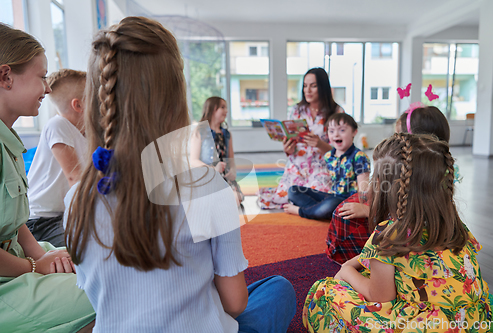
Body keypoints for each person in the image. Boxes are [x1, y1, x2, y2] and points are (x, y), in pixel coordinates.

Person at [64, 17, 295, 333]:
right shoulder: (207, 188)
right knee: (277, 288)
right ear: (174, 96)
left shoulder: (76, 200)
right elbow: (235, 303)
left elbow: (101, 297)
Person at [303, 133, 492, 332]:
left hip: (423, 327)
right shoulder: (455, 225)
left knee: (323, 292)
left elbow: (380, 297)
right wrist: (363, 258)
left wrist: (347, 269)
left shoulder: (387, 235)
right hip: (472, 323)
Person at [0, 23, 94, 332]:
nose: (48, 88)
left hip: (18, 259)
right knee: (111, 288)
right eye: (42, 77)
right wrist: (34, 266)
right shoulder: (55, 127)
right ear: (5, 76)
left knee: (99, 266)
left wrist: (45, 257)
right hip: (8, 282)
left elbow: (14, 224)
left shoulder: (8, 140)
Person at [326, 104, 453, 264]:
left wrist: (368, 210)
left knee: (343, 216)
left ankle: (345, 256)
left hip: (400, 245)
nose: (395, 139)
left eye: (398, 134)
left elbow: (406, 217)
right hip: (392, 229)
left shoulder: (412, 177)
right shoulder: (431, 169)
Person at [258, 67, 342, 209]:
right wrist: (287, 149)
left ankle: (301, 207)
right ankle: (302, 206)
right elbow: (292, 146)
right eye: (305, 86)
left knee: (320, 197)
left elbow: (341, 151)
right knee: (278, 199)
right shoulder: (296, 111)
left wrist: (320, 144)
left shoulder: (337, 112)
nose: (307, 90)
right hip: (297, 165)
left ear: (323, 87)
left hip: (321, 167)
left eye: (313, 86)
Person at [26, 69, 87, 247]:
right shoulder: (57, 124)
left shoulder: (87, 132)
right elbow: (75, 178)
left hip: (63, 215)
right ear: (78, 105)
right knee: (83, 248)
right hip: (40, 221)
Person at [284, 113, 370, 220]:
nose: (336, 135)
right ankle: (320, 211)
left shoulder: (359, 156)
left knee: (330, 205)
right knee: (293, 191)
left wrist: (363, 207)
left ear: (354, 132)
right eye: (331, 131)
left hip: (347, 200)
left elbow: (364, 187)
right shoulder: (329, 155)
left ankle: (301, 211)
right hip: (331, 196)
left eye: (342, 130)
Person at [190, 96, 244, 205]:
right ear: (212, 109)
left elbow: (231, 159)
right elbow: (193, 160)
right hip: (206, 177)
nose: (226, 111)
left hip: (224, 178)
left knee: (237, 198)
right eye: (222, 107)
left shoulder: (227, 134)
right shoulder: (200, 131)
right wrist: (214, 169)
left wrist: (233, 170)